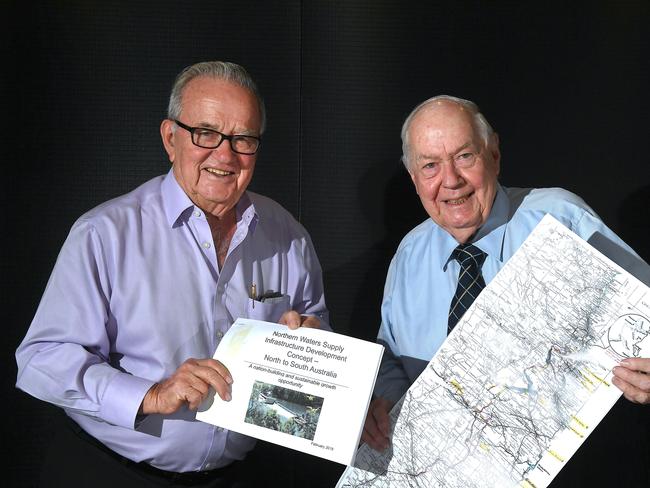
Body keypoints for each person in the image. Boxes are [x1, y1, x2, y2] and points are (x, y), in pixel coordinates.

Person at [15, 61, 330, 487]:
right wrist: (150, 395)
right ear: (170, 138)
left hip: (241, 476)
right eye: (206, 133)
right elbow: (41, 358)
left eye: (243, 139)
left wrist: (311, 343)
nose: (225, 154)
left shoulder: (288, 235)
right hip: (111, 472)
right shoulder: (105, 234)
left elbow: (316, 331)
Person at [361, 95, 650, 453]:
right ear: (414, 178)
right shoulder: (409, 254)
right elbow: (389, 353)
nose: (450, 180)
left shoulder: (561, 218)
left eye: (465, 156)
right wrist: (388, 401)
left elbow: (644, 313)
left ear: (493, 154)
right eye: (430, 165)